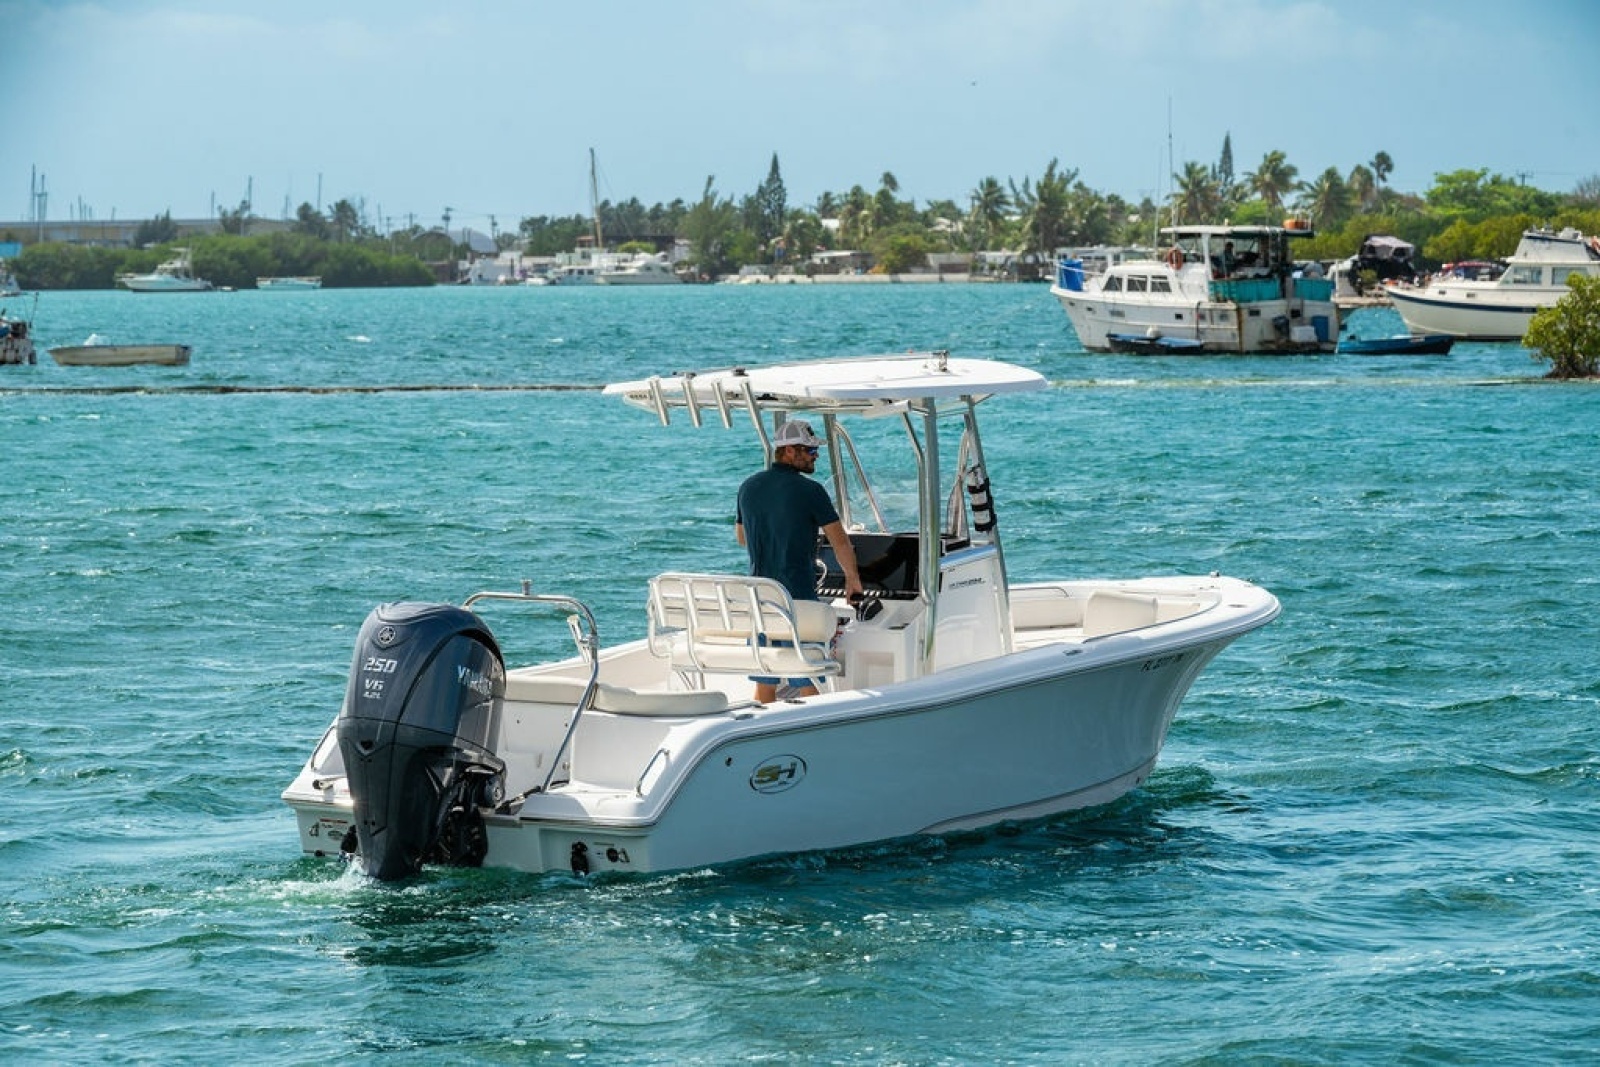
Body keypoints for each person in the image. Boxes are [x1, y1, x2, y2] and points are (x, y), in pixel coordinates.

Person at [735, 419, 864, 702]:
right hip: (798, 598)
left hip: (760, 601)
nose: (815, 456)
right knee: (806, 677)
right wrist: (853, 581)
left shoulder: (748, 487)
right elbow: (840, 541)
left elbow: (742, 537)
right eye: (810, 451)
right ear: (790, 451)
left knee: (766, 678)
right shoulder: (811, 491)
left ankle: (761, 729)